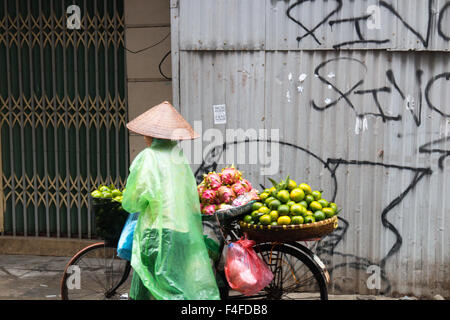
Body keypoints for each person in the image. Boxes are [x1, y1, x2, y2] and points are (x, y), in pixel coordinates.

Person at [121, 101, 220, 300]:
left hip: (156, 233)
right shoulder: (179, 158)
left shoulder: (147, 157)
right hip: (181, 232)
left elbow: (134, 201)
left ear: (152, 135)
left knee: (155, 286)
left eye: (146, 133)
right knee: (172, 283)